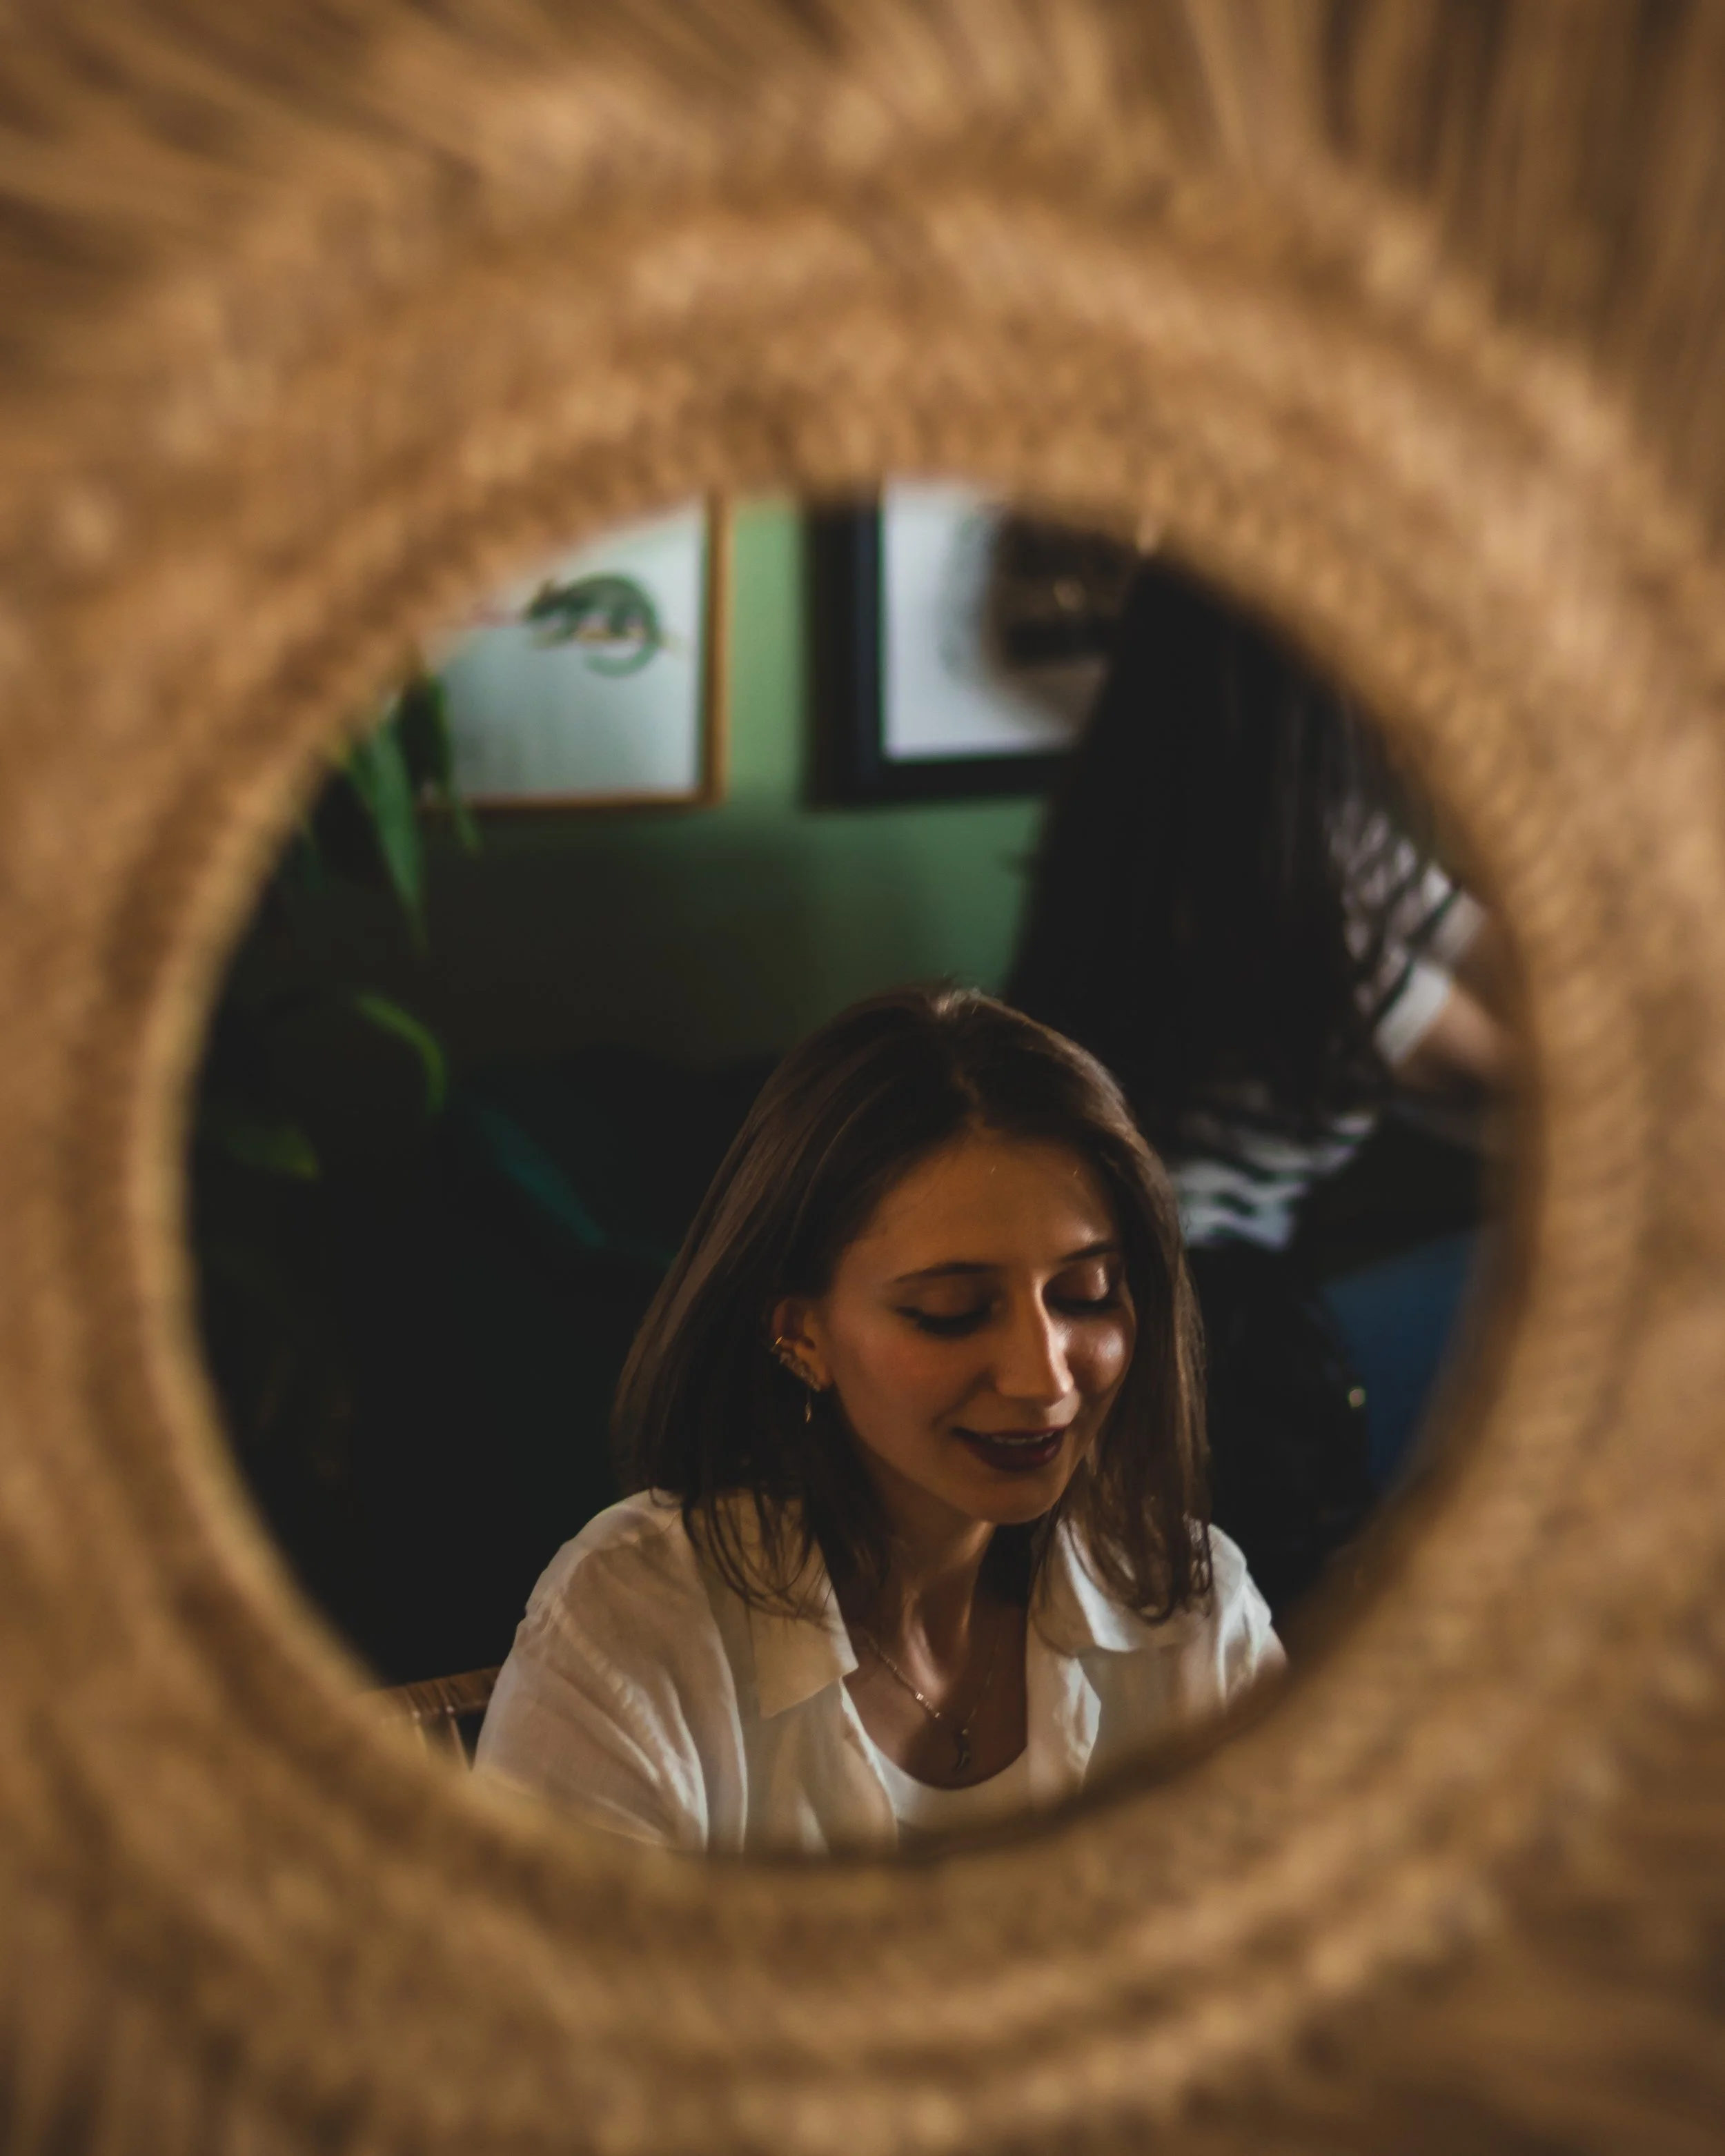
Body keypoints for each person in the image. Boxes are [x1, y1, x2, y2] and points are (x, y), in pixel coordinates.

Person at [475, 987, 1282, 1855]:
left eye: (1084, 1295)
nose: (1043, 1375)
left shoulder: (1189, 1608)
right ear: (801, 1333)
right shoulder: (635, 1625)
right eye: (952, 1310)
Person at [1009, 558, 1512, 1616]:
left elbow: (1502, 963)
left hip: (1112, 1290)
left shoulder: (1141, 819)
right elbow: (1528, 1072)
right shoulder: (1292, 892)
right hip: (1207, 1340)